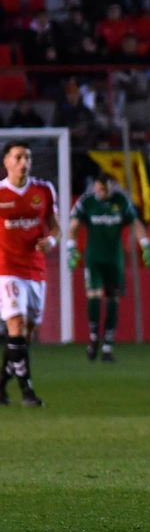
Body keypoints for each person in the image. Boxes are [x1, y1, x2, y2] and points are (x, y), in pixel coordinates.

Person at [67, 173, 150, 364]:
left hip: (114, 260)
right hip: (94, 259)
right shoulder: (86, 202)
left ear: (111, 187)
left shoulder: (121, 201)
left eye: (106, 187)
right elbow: (73, 226)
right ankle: (93, 337)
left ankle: (107, 346)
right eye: (99, 187)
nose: (102, 191)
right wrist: (70, 249)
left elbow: (135, 223)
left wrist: (145, 245)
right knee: (95, 297)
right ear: (94, 186)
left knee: (113, 300)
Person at [0, 143, 58, 406]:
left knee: (25, 335)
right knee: (16, 325)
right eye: (18, 157)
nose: (24, 162)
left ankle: (1, 386)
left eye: (28, 157)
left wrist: (52, 242)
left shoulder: (43, 190)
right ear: (7, 162)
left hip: (35, 270)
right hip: (7, 269)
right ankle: (28, 392)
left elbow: (54, 226)